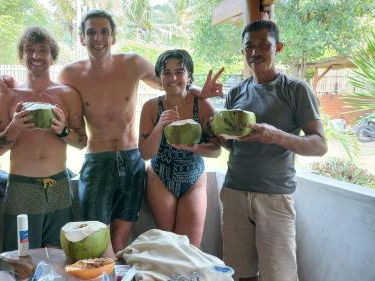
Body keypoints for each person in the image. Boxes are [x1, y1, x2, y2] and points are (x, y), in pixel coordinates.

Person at [58, 9, 224, 253]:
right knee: (95, 241)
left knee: (120, 241)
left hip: (131, 159)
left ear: (113, 36)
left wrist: (201, 91)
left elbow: (171, 82)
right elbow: (61, 112)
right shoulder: (70, 74)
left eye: (104, 32)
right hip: (97, 160)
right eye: (91, 32)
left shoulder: (133, 63)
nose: (98, 38)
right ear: (82, 38)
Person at [218, 20, 328, 281]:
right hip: (234, 192)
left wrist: (277, 136)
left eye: (263, 45)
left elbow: (320, 144)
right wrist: (210, 137)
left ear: (277, 47)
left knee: (279, 276)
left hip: (275, 196)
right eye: (249, 46)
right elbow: (231, 144)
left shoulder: (296, 89)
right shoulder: (235, 93)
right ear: (243, 51)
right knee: (239, 273)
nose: (255, 52)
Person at [0, 27, 86, 251]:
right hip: (23, 186)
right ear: (21, 56)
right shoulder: (8, 96)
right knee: (20, 258)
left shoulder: (67, 94)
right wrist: (14, 127)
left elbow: (82, 141)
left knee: (56, 255)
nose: (35, 56)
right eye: (29, 50)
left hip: (58, 185)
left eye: (42, 50)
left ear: (52, 56)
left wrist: (62, 130)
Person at [138, 49, 221, 247]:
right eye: (166, 72)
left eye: (180, 71)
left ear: (189, 75)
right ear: (160, 77)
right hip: (160, 176)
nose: (173, 78)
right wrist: (160, 126)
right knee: (170, 244)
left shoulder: (201, 105)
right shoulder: (151, 107)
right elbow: (145, 153)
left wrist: (195, 148)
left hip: (193, 177)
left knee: (190, 247)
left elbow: (216, 149)